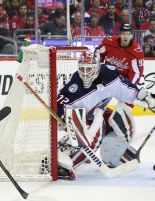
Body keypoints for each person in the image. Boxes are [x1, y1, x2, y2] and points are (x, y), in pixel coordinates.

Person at [56, 52, 154, 180]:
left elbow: (127, 89)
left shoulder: (109, 76)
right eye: (82, 69)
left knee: (121, 121)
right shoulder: (73, 87)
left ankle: (116, 156)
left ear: (97, 68)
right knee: (91, 141)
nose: (85, 73)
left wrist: (146, 97)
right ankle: (62, 162)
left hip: (98, 114)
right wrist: (66, 122)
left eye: (89, 69)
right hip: (82, 119)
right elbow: (59, 107)